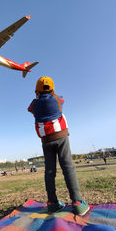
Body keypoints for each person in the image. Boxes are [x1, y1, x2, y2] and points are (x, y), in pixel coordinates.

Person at [28, 76, 90, 216]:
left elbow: (30, 109)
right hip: (61, 136)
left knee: (49, 171)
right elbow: (62, 100)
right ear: (52, 90)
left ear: (36, 91)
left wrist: (38, 97)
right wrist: (52, 93)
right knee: (67, 167)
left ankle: (52, 203)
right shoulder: (56, 98)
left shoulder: (34, 104)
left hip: (46, 140)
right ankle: (77, 203)